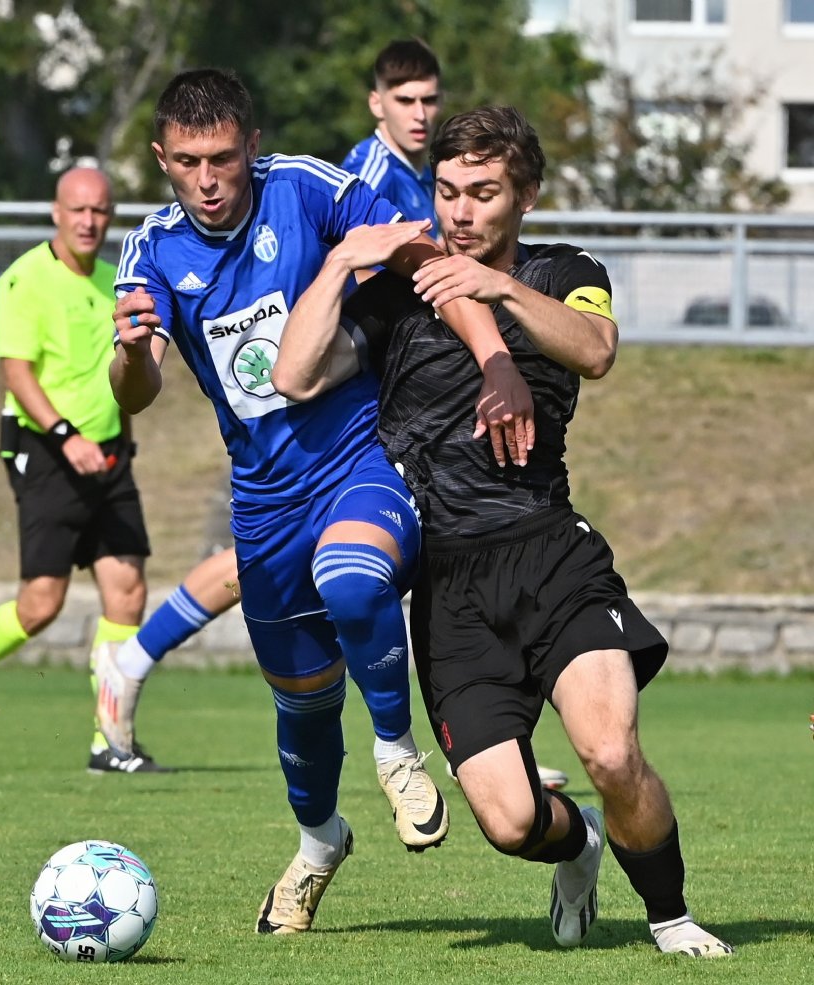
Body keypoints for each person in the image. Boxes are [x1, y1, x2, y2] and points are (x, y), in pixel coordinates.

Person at [273, 105, 732, 958]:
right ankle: (581, 844)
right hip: (448, 585)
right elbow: (294, 374)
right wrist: (341, 260)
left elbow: (595, 349)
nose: (461, 212)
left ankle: (670, 916)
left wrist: (499, 289)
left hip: (551, 552)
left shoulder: (566, 270)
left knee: (609, 748)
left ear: (525, 195)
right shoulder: (398, 294)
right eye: (448, 192)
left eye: (483, 193)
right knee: (514, 821)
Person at [107, 67, 535, 934]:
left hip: (358, 460)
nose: (209, 179)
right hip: (262, 503)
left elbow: (427, 260)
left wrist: (496, 361)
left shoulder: (305, 188)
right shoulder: (150, 249)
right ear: (162, 159)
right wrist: (129, 352)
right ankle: (318, 843)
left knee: (351, 575)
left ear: (252, 147)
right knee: (301, 713)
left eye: (224, 157)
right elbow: (135, 391)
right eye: (188, 162)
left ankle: (397, 747)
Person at [0, 166, 165, 775]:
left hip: (108, 454)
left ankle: (108, 739)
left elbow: (122, 374)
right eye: (78, 209)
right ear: (56, 212)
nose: (89, 221)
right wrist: (65, 435)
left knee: (127, 590)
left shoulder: (116, 282)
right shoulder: (25, 279)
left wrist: (121, 441)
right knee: (41, 604)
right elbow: (17, 374)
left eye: (101, 211)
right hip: (45, 450)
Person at [341, 38, 442, 227]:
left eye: (429, 100)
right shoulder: (370, 175)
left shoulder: (429, 175)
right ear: (376, 104)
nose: (420, 115)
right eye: (405, 101)